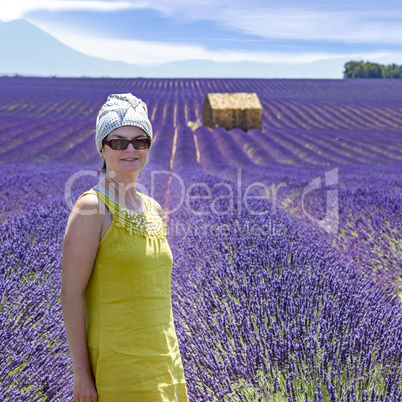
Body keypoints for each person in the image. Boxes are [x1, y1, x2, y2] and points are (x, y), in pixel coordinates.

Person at [60, 93, 189, 401]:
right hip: (118, 365)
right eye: (118, 142)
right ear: (102, 148)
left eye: (139, 141)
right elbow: (70, 293)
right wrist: (81, 373)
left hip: (163, 361)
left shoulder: (152, 207)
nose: (130, 149)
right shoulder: (92, 208)